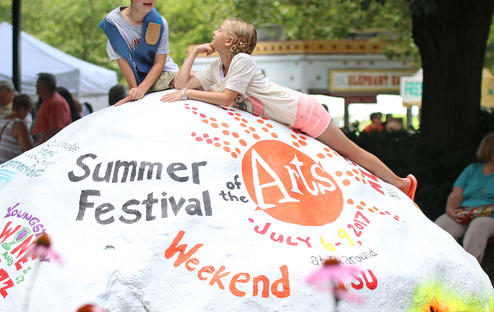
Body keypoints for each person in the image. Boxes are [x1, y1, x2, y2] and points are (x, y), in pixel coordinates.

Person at [160, 17, 417, 199]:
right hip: (290, 119)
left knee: (351, 152)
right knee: (338, 159)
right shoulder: (217, 67)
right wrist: (192, 54)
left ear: (230, 41)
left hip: (303, 110)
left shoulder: (242, 60)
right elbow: (181, 83)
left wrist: (186, 94)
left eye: (219, 29)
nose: (213, 33)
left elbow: (225, 98)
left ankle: (401, 184)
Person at [98, 0, 179, 106]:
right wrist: (136, 89)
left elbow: (160, 63)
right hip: (141, 79)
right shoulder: (113, 23)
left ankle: (226, 103)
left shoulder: (159, 22)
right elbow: (122, 59)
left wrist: (141, 89)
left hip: (164, 73)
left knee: (195, 78)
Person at [435, 132, 494, 262]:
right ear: (488, 148)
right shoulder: (472, 170)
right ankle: (435, 270)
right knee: (442, 224)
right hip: (467, 213)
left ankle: (468, 277)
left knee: (478, 225)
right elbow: (456, 195)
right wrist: (451, 210)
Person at [0, 95, 35, 167]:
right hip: (10, 167)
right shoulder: (19, 125)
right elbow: (29, 150)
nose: (27, 115)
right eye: (28, 111)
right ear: (22, 109)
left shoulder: (2, 121)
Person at [32, 72, 71, 143]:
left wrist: (42, 148)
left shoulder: (56, 103)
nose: (36, 86)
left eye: (37, 84)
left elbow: (55, 129)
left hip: (49, 150)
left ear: (43, 86)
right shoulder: (49, 101)